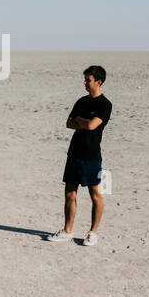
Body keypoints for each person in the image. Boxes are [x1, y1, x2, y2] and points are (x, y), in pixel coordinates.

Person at [47, 65, 112, 246]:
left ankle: (93, 232)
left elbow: (92, 126)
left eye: (88, 80)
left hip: (92, 155)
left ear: (98, 82)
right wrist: (85, 122)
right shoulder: (81, 101)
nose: (84, 83)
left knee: (95, 194)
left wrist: (81, 121)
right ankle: (67, 230)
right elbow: (68, 123)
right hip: (74, 152)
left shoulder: (105, 105)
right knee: (69, 193)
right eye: (84, 79)